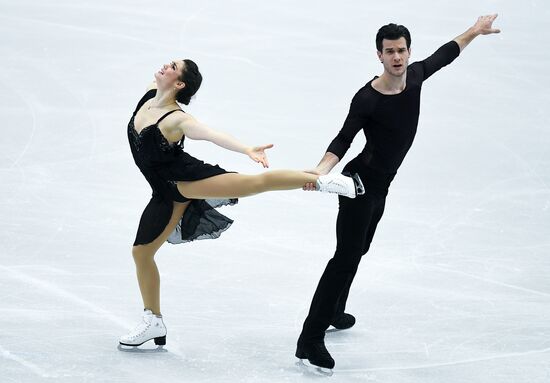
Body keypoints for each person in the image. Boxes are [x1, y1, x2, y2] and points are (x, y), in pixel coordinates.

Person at [296, 15, 501, 369]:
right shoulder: (367, 99)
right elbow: (343, 140)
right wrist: (320, 170)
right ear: (379, 55)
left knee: (360, 249)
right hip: (358, 185)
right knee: (344, 258)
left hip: (381, 186)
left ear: (408, 52)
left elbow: (446, 54)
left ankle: (334, 311)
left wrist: (474, 31)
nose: (397, 57)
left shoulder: (417, 76)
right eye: (389, 51)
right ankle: (309, 340)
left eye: (401, 50)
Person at [119, 59, 364, 347]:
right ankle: (154, 322)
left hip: (186, 181)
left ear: (179, 84)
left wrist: (246, 148)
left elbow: (209, 134)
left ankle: (329, 182)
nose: (164, 65)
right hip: (162, 193)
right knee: (141, 253)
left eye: (172, 66)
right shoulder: (151, 93)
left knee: (254, 183)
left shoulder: (176, 120)